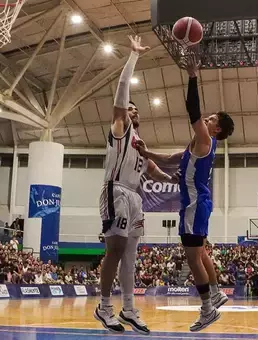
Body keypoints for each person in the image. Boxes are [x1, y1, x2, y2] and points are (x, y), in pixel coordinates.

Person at [136, 57, 234, 332]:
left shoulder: (205, 139)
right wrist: (147, 153)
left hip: (194, 203)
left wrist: (193, 76)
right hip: (197, 202)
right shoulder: (196, 145)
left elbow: (192, 110)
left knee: (192, 258)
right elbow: (171, 158)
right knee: (200, 253)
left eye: (212, 119)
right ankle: (214, 293)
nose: (207, 118)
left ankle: (207, 309)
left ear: (216, 130)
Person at [94, 35, 179, 335]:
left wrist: (172, 180)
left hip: (135, 197)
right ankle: (104, 306)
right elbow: (121, 91)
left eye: (135, 109)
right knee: (114, 249)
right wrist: (133, 56)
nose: (133, 111)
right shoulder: (120, 128)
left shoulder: (139, 142)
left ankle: (128, 308)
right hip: (115, 190)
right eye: (129, 108)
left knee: (130, 256)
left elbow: (152, 169)